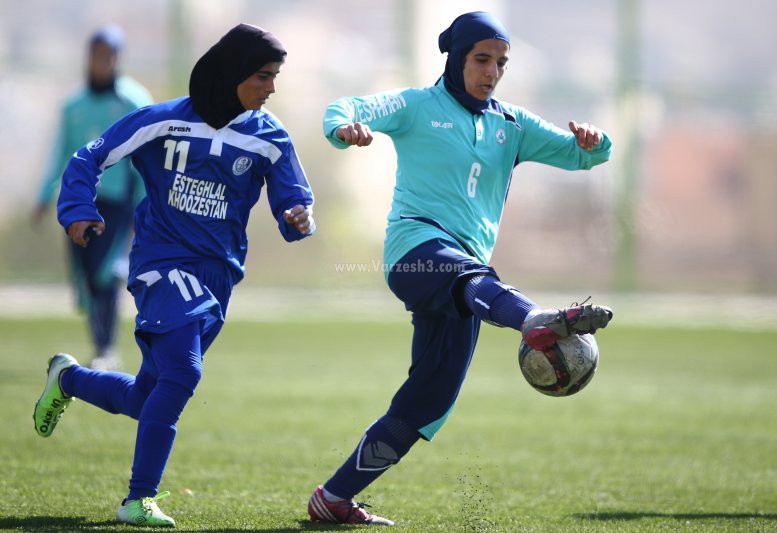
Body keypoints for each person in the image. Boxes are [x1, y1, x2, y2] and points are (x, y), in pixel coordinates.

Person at [307, 12, 613, 526]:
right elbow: (346, 107)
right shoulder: (417, 106)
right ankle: (535, 321)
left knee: (426, 406)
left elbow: (583, 159)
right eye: (481, 59)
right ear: (456, 57)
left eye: (501, 62)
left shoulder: (513, 125)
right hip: (415, 252)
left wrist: (593, 143)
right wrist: (344, 128)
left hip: (470, 283)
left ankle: (334, 498)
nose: (492, 71)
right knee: (470, 278)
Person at [32, 23, 315, 528]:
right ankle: (138, 500)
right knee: (185, 372)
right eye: (263, 76)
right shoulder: (162, 120)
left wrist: (298, 216)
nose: (272, 88)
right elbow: (89, 157)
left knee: (147, 397)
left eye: (275, 77)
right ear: (231, 74)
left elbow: (294, 198)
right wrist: (77, 207)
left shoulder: (269, 136)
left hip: (218, 279)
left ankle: (68, 379)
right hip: (162, 265)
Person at [32, 25, 153, 371]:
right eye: (98, 55)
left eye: (110, 55)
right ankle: (100, 344)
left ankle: (106, 349)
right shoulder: (74, 106)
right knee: (85, 281)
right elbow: (60, 154)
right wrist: (45, 196)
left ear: (118, 58)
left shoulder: (134, 101)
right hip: (78, 202)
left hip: (119, 202)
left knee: (106, 272)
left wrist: (147, 203)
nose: (104, 61)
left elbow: (145, 157)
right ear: (89, 58)